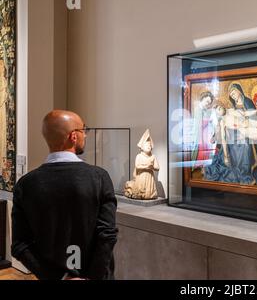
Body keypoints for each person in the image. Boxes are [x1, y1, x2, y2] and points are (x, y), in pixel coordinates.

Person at [11, 110, 118, 280]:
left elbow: (20, 245)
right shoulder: (99, 177)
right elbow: (107, 234)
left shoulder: (25, 185)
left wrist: (59, 277)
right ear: (73, 136)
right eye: (84, 130)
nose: (86, 136)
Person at [124, 129, 160, 200]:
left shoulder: (153, 156)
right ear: (142, 147)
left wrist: (152, 167)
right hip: (141, 176)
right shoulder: (139, 156)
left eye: (150, 145)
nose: (149, 146)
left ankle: (150, 194)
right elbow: (137, 166)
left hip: (150, 177)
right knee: (141, 192)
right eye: (147, 145)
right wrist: (147, 167)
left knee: (149, 194)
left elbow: (157, 167)